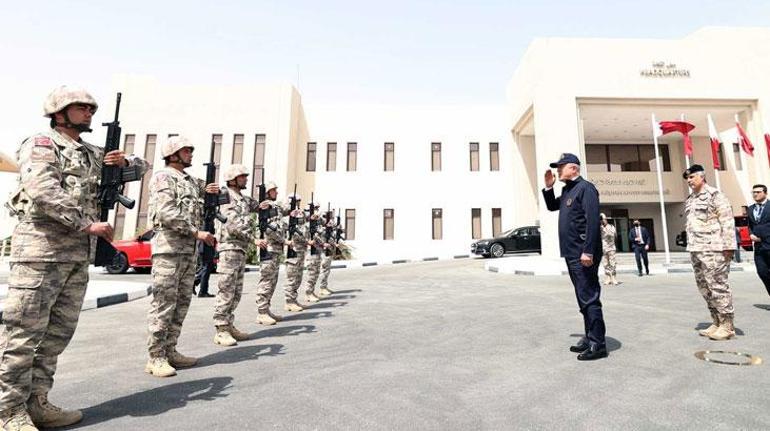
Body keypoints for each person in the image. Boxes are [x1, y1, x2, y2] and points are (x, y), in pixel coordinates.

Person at [0, 86, 148, 430]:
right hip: (40, 255)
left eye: (91, 109)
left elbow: (142, 168)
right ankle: (8, 412)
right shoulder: (42, 144)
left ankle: (38, 404)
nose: (89, 113)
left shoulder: (91, 153)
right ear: (59, 112)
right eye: (81, 108)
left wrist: (124, 162)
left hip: (74, 258)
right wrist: (87, 223)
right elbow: (42, 190)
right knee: (21, 336)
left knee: (55, 337)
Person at [145, 136, 219, 377]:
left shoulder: (188, 181)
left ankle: (170, 350)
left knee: (181, 303)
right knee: (164, 304)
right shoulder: (163, 177)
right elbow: (166, 212)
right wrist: (196, 232)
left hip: (187, 252)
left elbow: (210, 193)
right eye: (186, 151)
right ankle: (155, 356)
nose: (190, 154)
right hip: (169, 250)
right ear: (173, 154)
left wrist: (212, 190)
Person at [542, 153, 607, 361]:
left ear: (574, 168)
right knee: (583, 298)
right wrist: (549, 187)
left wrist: (588, 251)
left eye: (561, 167)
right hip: (572, 253)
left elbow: (592, 221)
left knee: (589, 297)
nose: (558, 170)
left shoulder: (586, 188)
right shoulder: (569, 190)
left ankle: (598, 344)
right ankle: (590, 337)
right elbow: (552, 206)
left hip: (583, 254)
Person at [212, 164, 267, 346]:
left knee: (235, 291)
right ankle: (221, 329)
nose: (246, 179)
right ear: (233, 179)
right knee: (226, 290)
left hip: (240, 248)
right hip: (229, 247)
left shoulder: (242, 198)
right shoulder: (226, 196)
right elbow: (232, 224)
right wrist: (254, 240)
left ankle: (229, 324)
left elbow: (257, 206)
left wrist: (264, 203)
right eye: (242, 176)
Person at [683, 164, 736, 340]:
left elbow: (727, 221)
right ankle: (716, 321)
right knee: (704, 288)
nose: (689, 180)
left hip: (714, 249)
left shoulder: (715, 195)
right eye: (687, 178)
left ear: (702, 176)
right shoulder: (690, 199)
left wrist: (728, 247)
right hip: (696, 249)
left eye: (692, 177)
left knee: (718, 286)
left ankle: (727, 325)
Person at [255, 182, 288, 325]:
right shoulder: (266, 207)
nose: (277, 193)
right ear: (268, 192)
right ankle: (261, 312)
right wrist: (283, 240)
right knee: (267, 281)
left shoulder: (275, 207)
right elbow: (268, 228)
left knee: (272, 281)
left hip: (275, 249)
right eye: (274, 190)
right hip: (269, 248)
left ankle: (266, 309)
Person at [283, 193, 309, 312]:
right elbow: (285, 228)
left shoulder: (301, 213)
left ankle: (293, 299)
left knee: (298, 276)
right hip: (293, 247)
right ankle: (289, 301)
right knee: (291, 276)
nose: (297, 203)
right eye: (295, 201)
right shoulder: (286, 214)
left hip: (301, 248)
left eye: (299, 200)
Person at [748, 184, 770, 297]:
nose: (755, 194)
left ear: (765, 193)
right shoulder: (751, 208)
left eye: (758, 192)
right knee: (762, 272)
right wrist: (751, 234)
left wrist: (764, 237)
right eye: (753, 192)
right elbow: (750, 225)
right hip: (758, 248)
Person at [600, 214, 619, 285]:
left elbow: (613, 235)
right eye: (602, 219)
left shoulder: (611, 227)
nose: (603, 221)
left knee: (612, 263)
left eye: (604, 219)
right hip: (604, 248)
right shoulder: (600, 227)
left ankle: (613, 277)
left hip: (611, 248)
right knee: (605, 264)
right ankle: (608, 277)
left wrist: (605, 229)